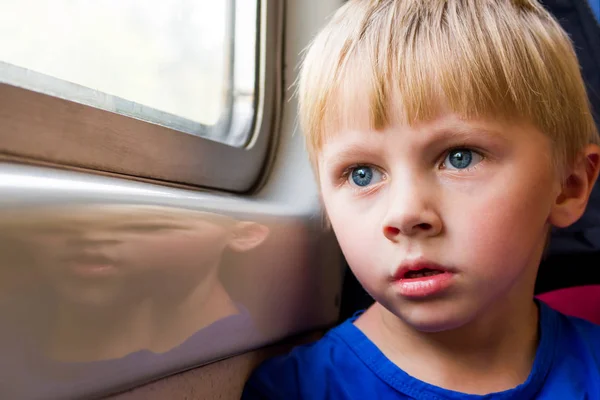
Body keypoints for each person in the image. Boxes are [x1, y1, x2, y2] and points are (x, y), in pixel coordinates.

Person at [242, 0, 600, 398]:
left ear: (569, 185)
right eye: (362, 174)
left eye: (459, 158)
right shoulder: (296, 392)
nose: (406, 213)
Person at [0, 204, 269, 399]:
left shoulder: (231, 366)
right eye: (55, 221)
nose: (91, 235)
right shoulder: (17, 317)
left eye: (151, 224)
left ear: (245, 234)